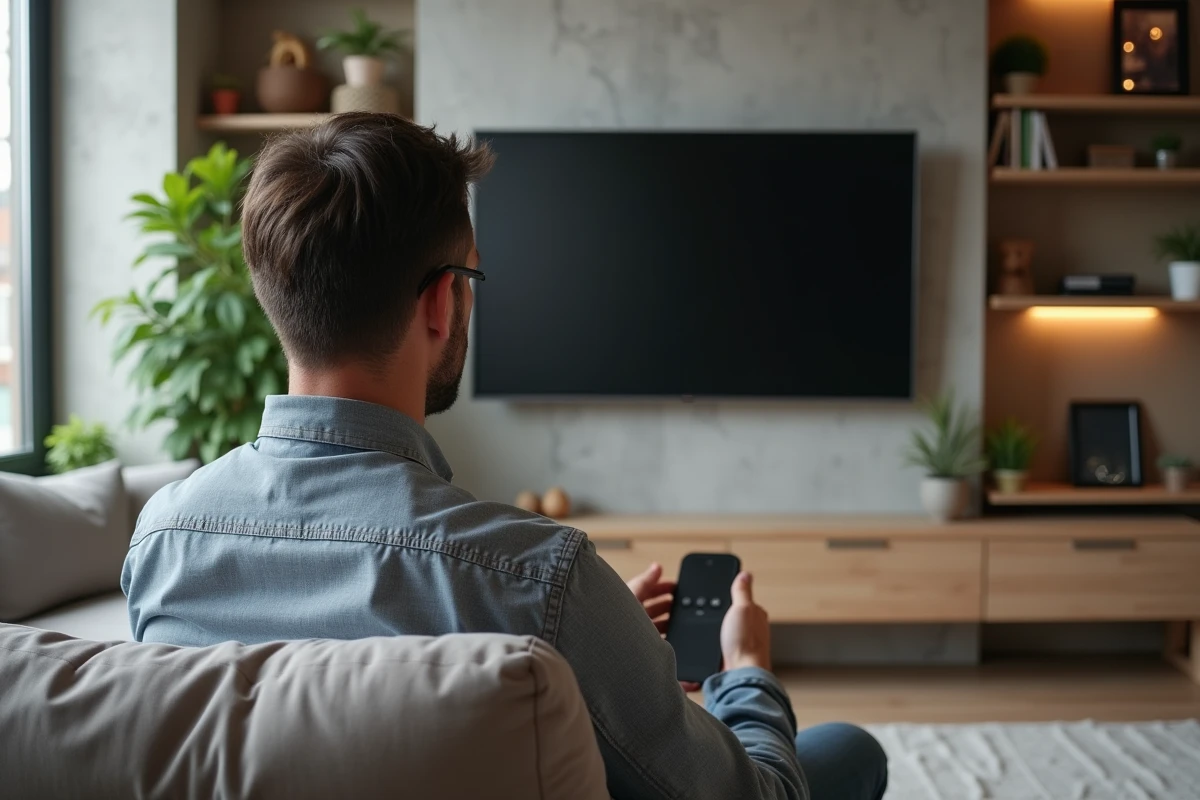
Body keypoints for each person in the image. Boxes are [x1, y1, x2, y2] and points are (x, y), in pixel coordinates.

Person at [122, 112, 887, 800]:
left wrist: (572, 633)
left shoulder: (163, 538)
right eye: (472, 276)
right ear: (441, 300)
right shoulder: (542, 575)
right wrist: (745, 669)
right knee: (845, 752)